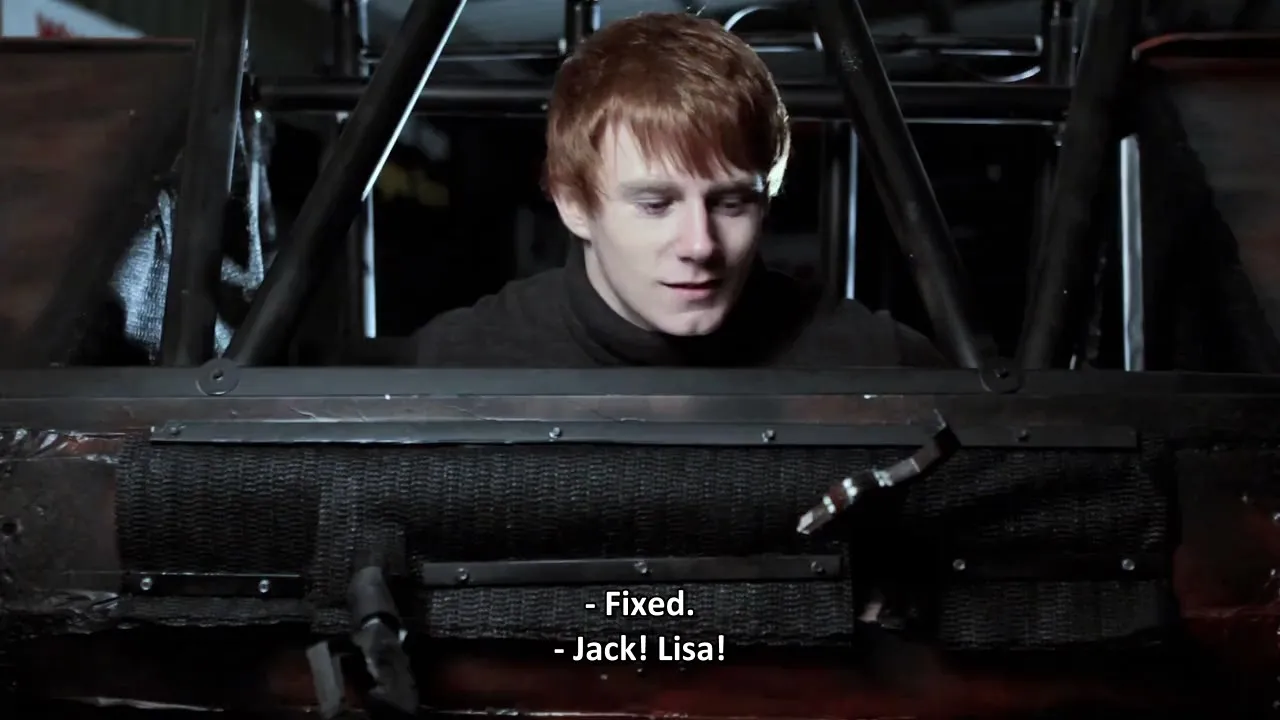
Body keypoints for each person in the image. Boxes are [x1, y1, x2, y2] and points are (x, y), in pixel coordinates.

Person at [409, 12, 948, 368]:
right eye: (655, 204)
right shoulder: (462, 362)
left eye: (731, 203)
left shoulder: (878, 362)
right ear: (572, 203)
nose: (700, 245)